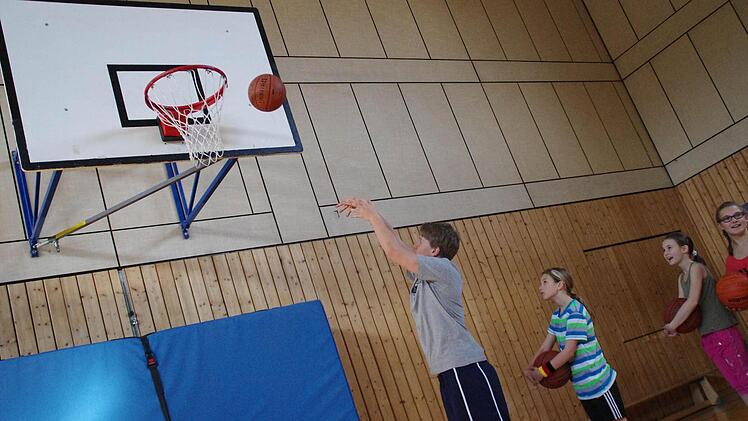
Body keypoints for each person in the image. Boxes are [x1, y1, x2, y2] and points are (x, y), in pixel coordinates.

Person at [336, 197, 510, 421]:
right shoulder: (425, 276)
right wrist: (373, 214)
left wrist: (372, 216)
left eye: (419, 242)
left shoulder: (444, 269)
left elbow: (394, 251)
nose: (414, 246)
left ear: (435, 251)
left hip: (465, 368)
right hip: (449, 371)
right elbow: (397, 245)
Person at [524, 268, 626, 421]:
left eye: (545, 282)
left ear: (560, 285)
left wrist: (542, 372)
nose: (540, 287)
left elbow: (569, 352)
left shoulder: (575, 312)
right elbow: (545, 348)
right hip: (583, 388)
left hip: (599, 383)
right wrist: (531, 369)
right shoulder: (557, 316)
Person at [712, 202, 748, 405]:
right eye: (727, 218)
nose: (734, 220)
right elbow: (740, 294)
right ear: (721, 226)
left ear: (746, 217)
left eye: (737, 215)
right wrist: (736, 303)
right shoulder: (731, 260)